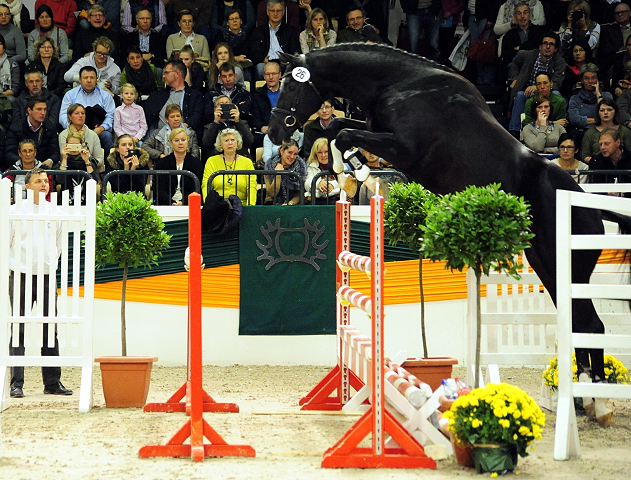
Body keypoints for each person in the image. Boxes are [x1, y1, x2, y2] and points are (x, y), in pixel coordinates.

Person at [8, 167, 72, 399]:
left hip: (46, 276)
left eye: (45, 180)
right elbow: (7, 243)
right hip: (21, 275)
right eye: (38, 181)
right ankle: (17, 384)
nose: (44, 184)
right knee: (18, 329)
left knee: (49, 329)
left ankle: (52, 382)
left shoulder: (55, 211)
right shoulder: (14, 211)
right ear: (27, 186)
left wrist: (48, 266)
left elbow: (58, 244)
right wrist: (16, 266)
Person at [508, 33, 567, 135]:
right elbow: (513, 64)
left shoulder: (560, 62)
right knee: (520, 95)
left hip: (548, 93)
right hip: (528, 93)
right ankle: (515, 131)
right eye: (545, 43)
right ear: (540, 46)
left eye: (551, 44)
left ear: (556, 49)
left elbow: (557, 83)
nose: (547, 47)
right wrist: (515, 78)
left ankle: (553, 128)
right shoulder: (528, 55)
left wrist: (538, 87)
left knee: (557, 94)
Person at [60, 65, 116, 155]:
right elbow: (63, 115)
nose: (89, 80)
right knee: (63, 135)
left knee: (107, 136)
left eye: (92, 77)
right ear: (80, 79)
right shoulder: (70, 94)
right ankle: (65, 164)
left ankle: (108, 167)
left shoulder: (106, 96)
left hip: (98, 130)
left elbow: (110, 116)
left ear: (96, 79)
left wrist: (100, 129)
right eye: (85, 77)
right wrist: (73, 129)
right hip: (74, 130)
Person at [142, 59, 205, 136]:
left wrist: (180, 128)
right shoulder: (157, 95)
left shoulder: (194, 96)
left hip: (183, 136)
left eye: (167, 73)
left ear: (177, 74)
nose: (163, 76)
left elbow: (197, 116)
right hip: (159, 138)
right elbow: (146, 116)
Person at [202, 127, 257, 205]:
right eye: (226, 140)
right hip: (218, 206)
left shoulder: (247, 162)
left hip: (242, 206)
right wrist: (208, 204)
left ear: (237, 142)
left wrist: (250, 207)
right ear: (220, 144)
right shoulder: (212, 161)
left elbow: (252, 187)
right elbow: (206, 185)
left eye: (232, 140)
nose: (230, 143)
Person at [249, 1, 300, 79]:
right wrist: (263, 59)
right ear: (267, 12)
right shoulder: (258, 31)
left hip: (285, 65)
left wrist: (288, 61)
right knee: (260, 68)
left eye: (278, 11)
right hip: (266, 63)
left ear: (283, 12)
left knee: (294, 69)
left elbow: (296, 51)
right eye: (273, 11)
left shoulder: (291, 31)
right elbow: (254, 52)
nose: (275, 14)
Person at [5, 96, 59, 169]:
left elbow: (55, 152)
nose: (43, 113)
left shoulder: (50, 127)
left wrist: (50, 160)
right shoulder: (16, 127)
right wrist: (25, 162)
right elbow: (9, 153)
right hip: (21, 168)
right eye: (39, 109)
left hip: (43, 168)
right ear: (29, 110)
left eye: (45, 109)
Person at [154, 127, 204, 205]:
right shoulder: (162, 163)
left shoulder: (196, 163)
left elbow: (196, 188)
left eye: (183, 140)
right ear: (171, 142)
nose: (180, 143)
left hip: (189, 203)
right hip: (166, 204)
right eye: (176, 140)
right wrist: (171, 203)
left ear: (188, 141)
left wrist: (183, 202)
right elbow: (159, 189)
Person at [568, 63, 613, 142]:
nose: (590, 81)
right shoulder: (575, 98)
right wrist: (598, 120)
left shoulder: (606, 96)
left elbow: (608, 115)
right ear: (581, 80)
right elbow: (574, 119)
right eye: (586, 78)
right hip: (581, 133)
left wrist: (598, 95)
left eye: (593, 78)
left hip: (603, 133)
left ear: (598, 79)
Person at [580, 98, 631, 163]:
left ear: (615, 112)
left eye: (609, 110)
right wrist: (597, 163)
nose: (606, 113)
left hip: (622, 166)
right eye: (602, 110)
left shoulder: (624, 131)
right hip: (599, 168)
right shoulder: (590, 133)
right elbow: (584, 155)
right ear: (598, 113)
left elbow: (629, 153)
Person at [497, 2, 545, 70]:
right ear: (515, 16)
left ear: (530, 15)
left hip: (536, 64)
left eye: (525, 13)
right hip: (516, 66)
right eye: (519, 13)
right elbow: (507, 55)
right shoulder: (509, 35)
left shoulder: (539, 31)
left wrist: (520, 47)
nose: (522, 16)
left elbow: (538, 46)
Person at [203, 94, 253, 158]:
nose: (225, 106)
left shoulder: (242, 123)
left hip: (239, 157)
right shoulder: (210, 126)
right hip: (218, 158)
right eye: (222, 104)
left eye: (227, 103)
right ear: (215, 109)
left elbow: (249, 141)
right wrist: (216, 122)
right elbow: (207, 143)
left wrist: (238, 121)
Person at [59, 103, 104, 169]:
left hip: (89, 168)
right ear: (70, 116)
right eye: (77, 113)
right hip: (69, 168)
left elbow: (99, 158)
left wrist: (91, 164)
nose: (80, 116)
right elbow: (63, 156)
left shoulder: (92, 134)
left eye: (83, 113)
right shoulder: (63, 135)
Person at [58, 132, 101, 204]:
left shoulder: (89, 162)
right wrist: (64, 159)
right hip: (67, 202)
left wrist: (87, 160)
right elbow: (60, 180)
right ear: (66, 145)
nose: (74, 148)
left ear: (81, 146)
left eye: (76, 145)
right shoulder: (62, 162)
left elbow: (93, 181)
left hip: (86, 202)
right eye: (71, 145)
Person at [597, 2, 631, 90]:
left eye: (623, 12)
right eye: (617, 13)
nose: (620, 14)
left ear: (630, 13)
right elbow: (605, 50)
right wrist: (623, 49)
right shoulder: (609, 30)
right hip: (617, 62)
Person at [588, 128, 631, 194]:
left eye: (607, 144)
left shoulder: (629, 157)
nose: (602, 147)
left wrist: (624, 194)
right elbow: (595, 188)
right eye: (600, 144)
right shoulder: (596, 161)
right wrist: (607, 193)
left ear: (618, 142)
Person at [264, 138, 306, 205]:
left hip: (294, 205)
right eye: (290, 152)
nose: (292, 156)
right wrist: (278, 175)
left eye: (295, 154)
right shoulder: (269, 166)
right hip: (274, 204)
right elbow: (272, 193)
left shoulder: (301, 168)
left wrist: (290, 203)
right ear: (282, 151)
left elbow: (300, 193)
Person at [213, 9, 252, 81]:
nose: (234, 21)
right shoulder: (221, 36)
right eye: (231, 19)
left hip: (244, 65)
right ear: (227, 23)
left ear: (241, 21)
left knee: (247, 74)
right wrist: (235, 58)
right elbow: (217, 54)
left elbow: (252, 54)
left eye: (236, 18)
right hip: (225, 65)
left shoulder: (248, 35)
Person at [249, 60, 280, 150]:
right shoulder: (257, 95)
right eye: (268, 74)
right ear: (264, 76)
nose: (271, 77)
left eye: (274, 74)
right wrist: (261, 127)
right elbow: (254, 117)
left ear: (280, 75)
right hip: (266, 132)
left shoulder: (288, 94)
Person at [305, 138, 340, 204]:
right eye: (320, 152)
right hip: (316, 200)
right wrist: (319, 183)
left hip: (335, 199)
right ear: (316, 154)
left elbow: (346, 181)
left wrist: (332, 185)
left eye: (326, 152)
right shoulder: (311, 166)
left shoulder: (339, 164)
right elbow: (307, 184)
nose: (323, 155)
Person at [0, 32, 19, 114]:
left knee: (11, 100)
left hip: (6, 95)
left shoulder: (12, 64)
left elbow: (15, 88)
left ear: (4, 47)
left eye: (0, 44)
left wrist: (2, 94)